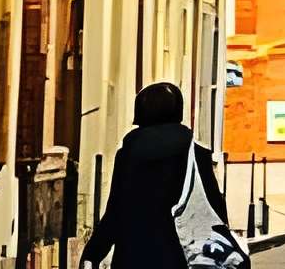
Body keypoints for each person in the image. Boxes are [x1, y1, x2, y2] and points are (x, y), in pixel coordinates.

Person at [84, 85, 240, 269]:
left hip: (133, 257)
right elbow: (214, 208)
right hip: (182, 257)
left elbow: (115, 212)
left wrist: (92, 254)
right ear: (178, 112)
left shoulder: (127, 156)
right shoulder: (195, 155)